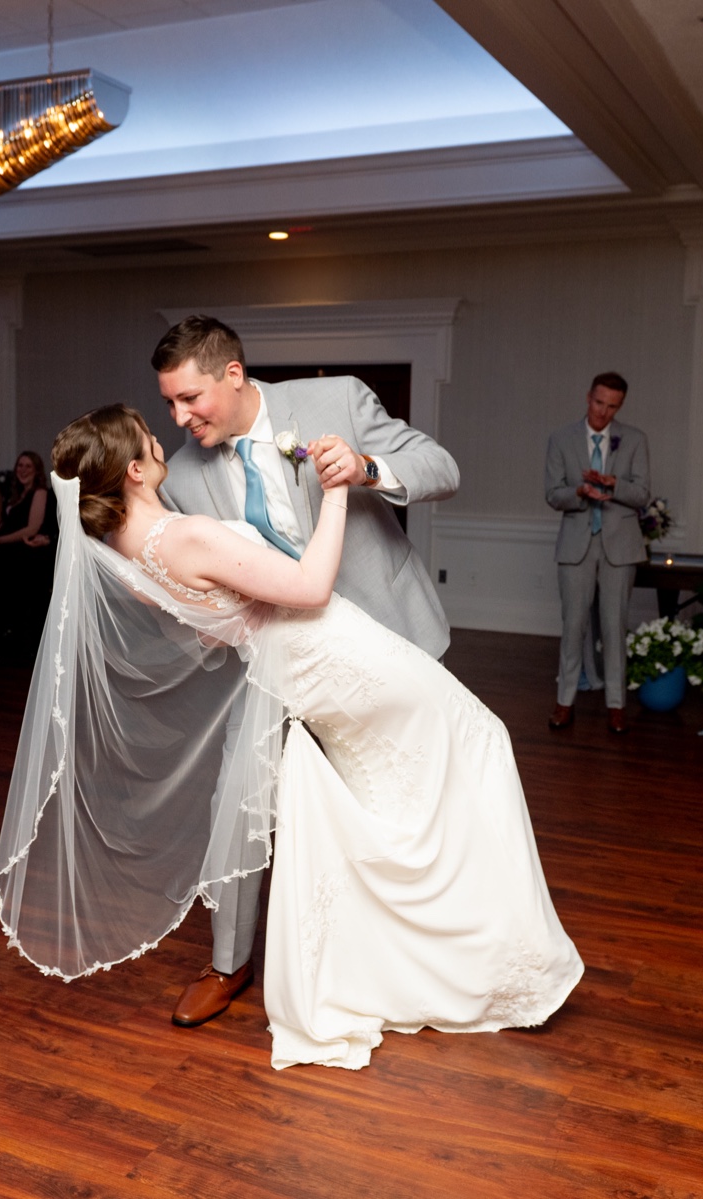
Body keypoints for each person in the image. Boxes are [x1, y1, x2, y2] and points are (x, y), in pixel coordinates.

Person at [0, 405, 582, 1070]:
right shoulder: (184, 535)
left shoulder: (130, 552)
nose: (163, 438)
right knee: (482, 738)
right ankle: (488, 958)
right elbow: (309, 586)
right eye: (149, 437)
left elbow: (214, 630)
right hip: (330, 650)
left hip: (297, 668)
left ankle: (430, 951)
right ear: (133, 469)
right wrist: (336, 492)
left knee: (396, 791)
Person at [149, 314, 460, 1028]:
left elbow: (443, 468)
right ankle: (230, 959)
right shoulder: (185, 476)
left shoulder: (338, 401)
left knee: (399, 808)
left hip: (387, 639)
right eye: (168, 403)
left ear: (233, 374)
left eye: (189, 398)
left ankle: (404, 948)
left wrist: (368, 470)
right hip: (282, 659)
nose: (179, 416)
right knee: (244, 796)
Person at [544, 372, 651, 734]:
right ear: (588, 397)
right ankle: (564, 702)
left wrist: (612, 484)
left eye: (612, 407)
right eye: (599, 403)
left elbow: (641, 496)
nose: (604, 412)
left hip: (620, 547)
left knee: (614, 628)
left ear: (620, 406)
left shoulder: (634, 439)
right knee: (573, 627)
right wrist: (580, 492)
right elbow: (552, 494)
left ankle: (616, 706)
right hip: (576, 545)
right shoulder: (561, 438)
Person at [0, 450, 57, 666]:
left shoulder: (40, 492)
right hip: (14, 552)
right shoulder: (16, 495)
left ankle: (16, 639)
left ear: (37, 471)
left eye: (28, 466)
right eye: (20, 466)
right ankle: (5, 635)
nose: (23, 470)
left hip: (29, 553)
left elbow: (31, 528)